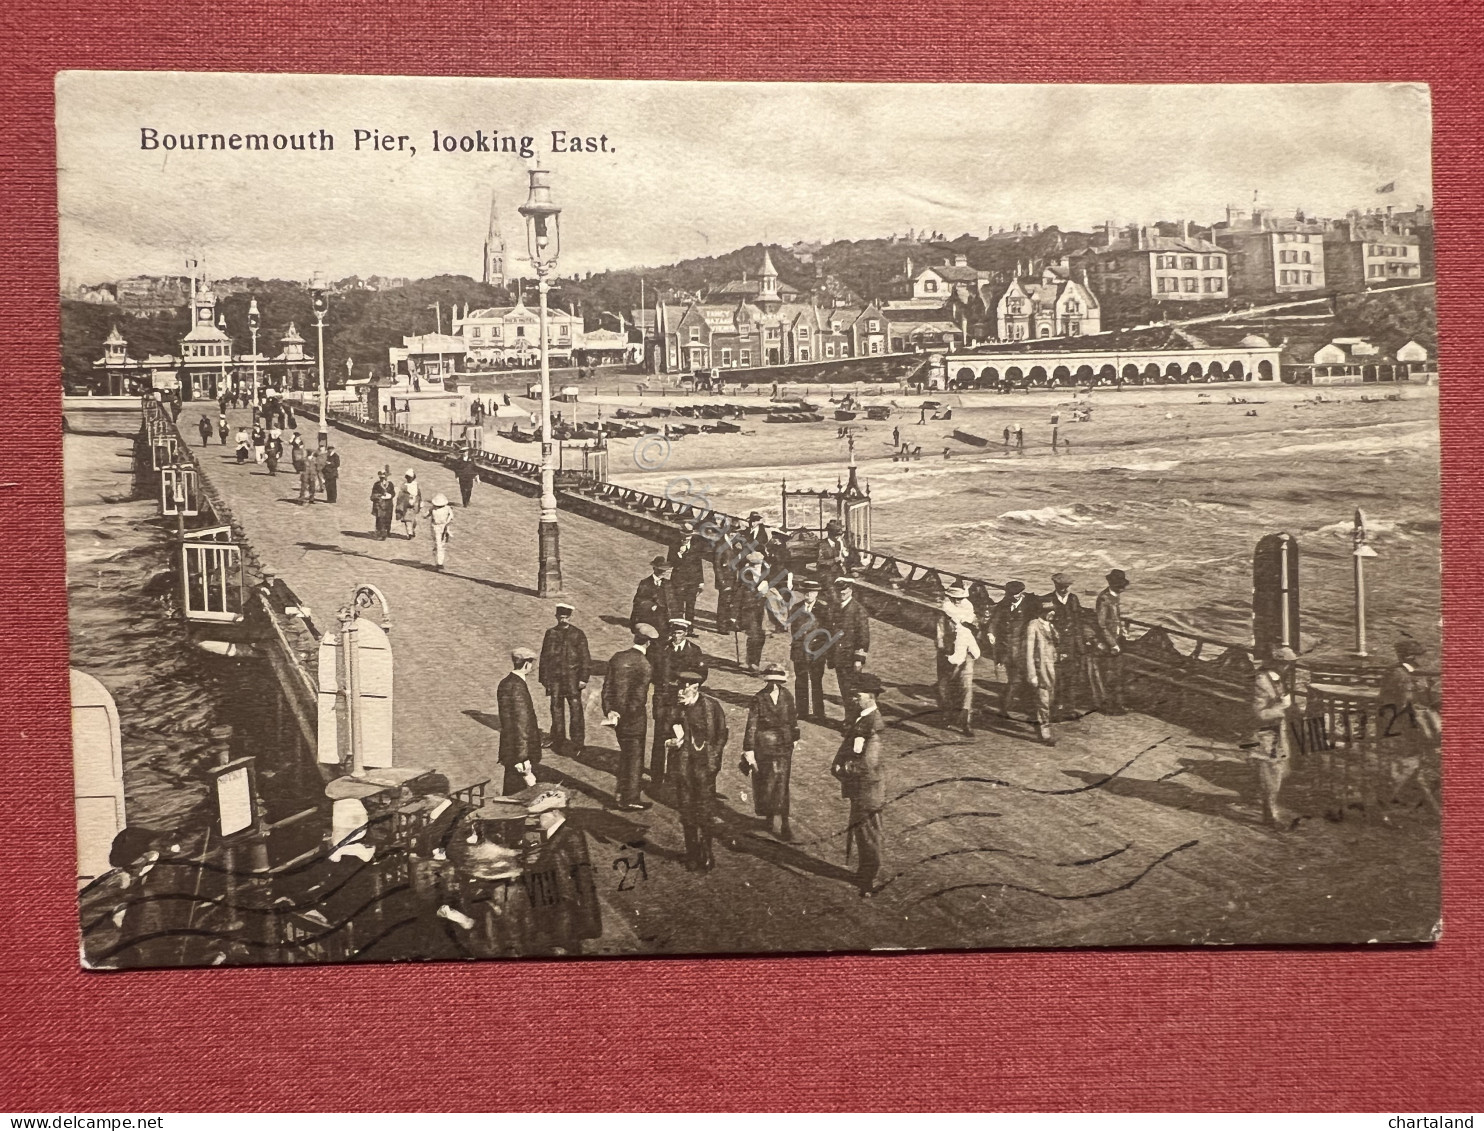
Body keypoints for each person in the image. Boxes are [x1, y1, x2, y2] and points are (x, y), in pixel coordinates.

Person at [667, 668, 729, 873]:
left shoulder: (712, 707)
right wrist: (671, 740)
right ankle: (692, 853)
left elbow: (721, 734)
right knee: (686, 811)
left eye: (684, 690)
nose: (680, 693)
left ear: (695, 688)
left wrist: (714, 758)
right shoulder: (676, 708)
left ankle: (707, 853)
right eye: (679, 688)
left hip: (705, 769)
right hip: (683, 767)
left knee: (705, 812)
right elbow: (665, 731)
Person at [831, 672, 887, 897]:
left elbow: (867, 763)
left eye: (858, 695)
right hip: (861, 788)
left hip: (868, 789)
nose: (854, 698)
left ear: (871, 696)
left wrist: (842, 769)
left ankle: (868, 880)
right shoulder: (862, 717)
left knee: (869, 834)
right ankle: (864, 873)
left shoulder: (874, 724)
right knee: (862, 833)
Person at [1375, 639, 1441, 817]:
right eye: (1422, 656)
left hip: (1402, 727)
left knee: (1412, 768)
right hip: (1398, 730)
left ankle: (1431, 807)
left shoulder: (1403, 672)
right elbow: (1405, 706)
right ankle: (1382, 811)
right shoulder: (1401, 676)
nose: (1426, 660)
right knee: (1400, 770)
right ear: (1412, 658)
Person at [742, 662, 800, 840]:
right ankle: (768, 818)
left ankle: (784, 824)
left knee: (782, 784)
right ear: (766, 682)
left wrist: (796, 736)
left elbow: (793, 718)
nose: (774, 685)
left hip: (784, 745)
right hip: (764, 746)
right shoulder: (758, 698)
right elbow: (751, 725)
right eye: (770, 682)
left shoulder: (787, 696)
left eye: (777, 682)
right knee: (766, 782)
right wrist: (749, 749)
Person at [601, 624, 656, 810]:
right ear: (648, 642)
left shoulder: (618, 658)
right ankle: (630, 798)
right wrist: (625, 716)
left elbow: (607, 688)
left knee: (625, 756)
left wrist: (611, 711)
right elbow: (638, 699)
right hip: (633, 720)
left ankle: (619, 793)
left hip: (615, 717)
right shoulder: (645, 665)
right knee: (634, 760)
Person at [648, 618, 704, 791]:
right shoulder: (661, 649)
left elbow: (701, 674)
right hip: (663, 699)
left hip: (682, 701)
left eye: (679, 633)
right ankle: (656, 776)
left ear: (685, 633)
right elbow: (652, 670)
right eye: (673, 633)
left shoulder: (694, 651)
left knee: (679, 737)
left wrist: (689, 690)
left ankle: (673, 776)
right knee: (659, 738)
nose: (675, 637)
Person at [1248, 643, 1298, 828]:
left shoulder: (1274, 678)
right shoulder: (1262, 681)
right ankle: (1270, 816)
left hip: (1275, 732)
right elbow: (1259, 714)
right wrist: (1281, 707)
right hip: (1265, 734)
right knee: (1272, 773)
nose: (1288, 668)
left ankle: (1265, 802)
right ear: (1278, 663)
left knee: (1279, 771)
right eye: (1286, 664)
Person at [539, 603, 591, 756]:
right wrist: (544, 678)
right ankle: (557, 738)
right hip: (555, 679)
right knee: (556, 709)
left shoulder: (578, 634)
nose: (563, 620)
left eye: (566, 618)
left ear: (570, 618)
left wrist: (583, 678)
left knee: (576, 711)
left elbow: (585, 658)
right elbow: (544, 657)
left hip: (572, 680)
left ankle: (578, 743)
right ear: (556, 617)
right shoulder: (550, 633)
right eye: (561, 617)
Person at [936, 583, 981, 737]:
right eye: (954, 598)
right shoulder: (944, 614)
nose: (957, 601)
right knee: (945, 685)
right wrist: (944, 650)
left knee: (966, 687)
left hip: (967, 655)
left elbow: (977, 632)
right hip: (948, 654)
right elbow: (939, 635)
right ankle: (947, 714)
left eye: (960, 598)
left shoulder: (970, 613)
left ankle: (965, 722)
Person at [497, 647, 542, 796]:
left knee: (510, 791)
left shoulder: (505, 683)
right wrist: (523, 757)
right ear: (526, 664)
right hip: (520, 753)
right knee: (519, 795)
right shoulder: (518, 687)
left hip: (509, 748)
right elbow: (521, 724)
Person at [1042, 573, 1087, 720]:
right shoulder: (1048, 600)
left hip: (1072, 644)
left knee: (1071, 677)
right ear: (1055, 586)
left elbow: (1079, 621)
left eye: (1067, 587)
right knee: (1056, 678)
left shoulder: (1073, 599)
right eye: (1062, 587)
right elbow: (1045, 624)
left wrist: (1081, 643)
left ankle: (1070, 708)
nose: (1065, 590)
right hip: (1056, 645)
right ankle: (1055, 708)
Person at [826, 576, 871, 723]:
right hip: (839, 657)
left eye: (844, 590)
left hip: (851, 658)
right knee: (844, 690)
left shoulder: (858, 610)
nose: (842, 593)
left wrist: (859, 660)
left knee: (852, 691)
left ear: (851, 590)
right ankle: (849, 719)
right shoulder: (835, 607)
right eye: (839, 591)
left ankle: (853, 722)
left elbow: (863, 637)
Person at [989, 581, 1031, 719]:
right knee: (1015, 679)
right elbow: (993, 621)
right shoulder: (1003, 605)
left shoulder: (1029, 607)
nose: (1012, 597)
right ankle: (1010, 707)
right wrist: (990, 633)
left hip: (1022, 649)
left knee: (1018, 680)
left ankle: (1006, 706)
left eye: (1015, 595)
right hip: (1006, 650)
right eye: (1010, 595)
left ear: (1021, 594)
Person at [1092, 568, 1131, 714]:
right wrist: (1112, 644)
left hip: (1117, 639)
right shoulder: (1104, 599)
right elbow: (1101, 625)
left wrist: (1122, 630)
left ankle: (1118, 704)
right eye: (1120, 585)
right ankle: (1108, 706)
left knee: (1117, 674)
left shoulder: (1114, 596)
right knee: (1109, 675)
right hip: (1108, 644)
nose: (1123, 588)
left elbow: (1115, 618)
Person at [790, 578, 829, 721]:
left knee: (816, 681)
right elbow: (794, 631)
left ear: (817, 594)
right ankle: (802, 711)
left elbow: (826, 631)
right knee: (801, 680)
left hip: (816, 651)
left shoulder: (823, 610)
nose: (809, 595)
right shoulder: (795, 608)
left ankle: (819, 713)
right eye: (806, 593)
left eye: (812, 593)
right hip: (799, 650)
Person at [1023, 597, 1059, 745]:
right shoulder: (1033, 626)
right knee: (1044, 700)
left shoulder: (1051, 626)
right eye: (1048, 611)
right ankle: (1045, 732)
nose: (1052, 613)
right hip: (1041, 669)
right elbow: (1028, 652)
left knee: (1049, 699)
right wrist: (1032, 674)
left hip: (1052, 668)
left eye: (1053, 611)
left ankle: (1037, 719)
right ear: (1041, 611)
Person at [737, 550, 772, 673]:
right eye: (754, 564)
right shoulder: (745, 574)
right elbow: (738, 594)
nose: (756, 567)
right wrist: (733, 615)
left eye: (758, 564)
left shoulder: (766, 574)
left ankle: (755, 660)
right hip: (748, 609)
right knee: (753, 635)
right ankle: (752, 663)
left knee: (761, 636)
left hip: (763, 609)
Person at [668, 523, 706, 626]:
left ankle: (689, 628)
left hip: (693, 581)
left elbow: (698, 564)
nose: (686, 538)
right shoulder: (674, 546)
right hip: (679, 581)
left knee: (690, 606)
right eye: (684, 536)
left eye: (688, 536)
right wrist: (679, 554)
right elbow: (671, 562)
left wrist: (701, 581)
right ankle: (678, 627)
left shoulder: (696, 546)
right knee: (679, 605)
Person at [629, 555, 673, 635]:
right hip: (647, 617)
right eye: (660, 570)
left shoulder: (668, 584)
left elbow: (672, 601)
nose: (663, 572)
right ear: (654, 569)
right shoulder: (645, 583)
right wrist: (652, 606)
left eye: (665, 570)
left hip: (664, 619)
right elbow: (638, 601)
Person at [427, 491, 454, 570]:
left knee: (438, 544)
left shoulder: (433, 509)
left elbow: (425, 515)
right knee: (441, 544)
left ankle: (439, 562)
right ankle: (439, 561)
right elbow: (451, 517)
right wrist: (447, 523)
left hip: (436, 527)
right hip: (443, 527)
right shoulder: (447, 508)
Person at [370, 466, 396, 539]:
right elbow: (373, 494)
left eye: (384, 477)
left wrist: (390, 495)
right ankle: (380, 533)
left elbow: (393, 493)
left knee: (388, 518)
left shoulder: (390, 484)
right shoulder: (376, 485)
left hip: (388, 504)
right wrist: (379, 496)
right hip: (379, 504)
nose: (382, 479)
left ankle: (387, 531)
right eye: (381, 477)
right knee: (380, 518)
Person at [395, 469, 421, 539]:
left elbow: (419, 494)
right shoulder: (404, 485)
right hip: (406, 505)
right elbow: (400, 496)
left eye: (410, 477)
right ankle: (410, 533)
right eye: (408, 477)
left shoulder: (416, 484)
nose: (409, 478)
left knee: (413, 520)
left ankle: (412, 530)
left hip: (414, 504)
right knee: (407, 519)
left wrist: (419, 502)